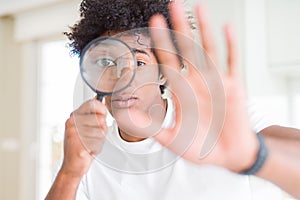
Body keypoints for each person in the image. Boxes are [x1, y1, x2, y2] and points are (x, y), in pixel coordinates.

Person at [45, 0, 300, 199]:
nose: (122, 76)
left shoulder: (221, 122)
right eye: (105, 61)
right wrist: (69, 174)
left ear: (163, 72)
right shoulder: (86, 156)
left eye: (140, 61)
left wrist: (254, 155)